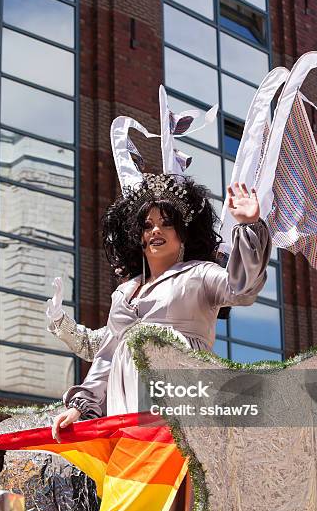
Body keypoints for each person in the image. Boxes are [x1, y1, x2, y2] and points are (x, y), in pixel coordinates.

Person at [51, 176, 271, 441]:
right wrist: (79, 407)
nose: (156, 231)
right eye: (147, 225)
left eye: (167, 224)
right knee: (132, 475)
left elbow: (242, 288)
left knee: (176, 473)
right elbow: (107, 356)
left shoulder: (199, 274)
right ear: (138, 237)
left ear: (183, 235)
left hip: (180, 398)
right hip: (126, 403)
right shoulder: (124, 292)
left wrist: (248, 226)